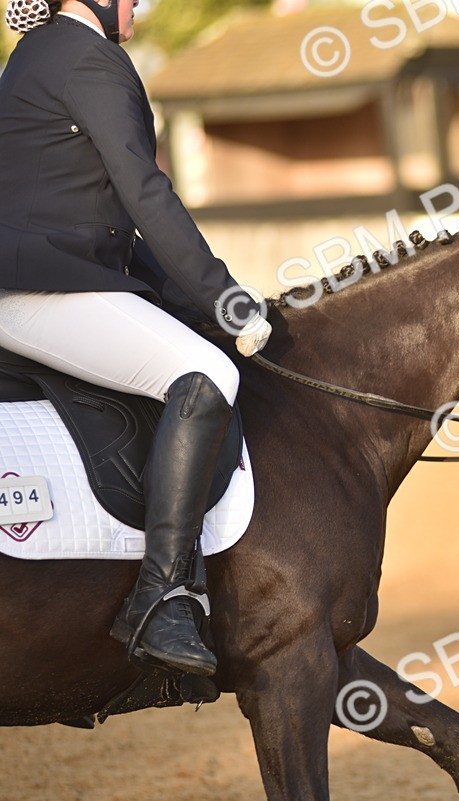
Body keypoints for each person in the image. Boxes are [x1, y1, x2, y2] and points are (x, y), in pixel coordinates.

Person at [0, 0, 271, 677]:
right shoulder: (91, 58)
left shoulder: (36, 55)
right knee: (207, 375)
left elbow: (107, 217)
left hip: (42, 277)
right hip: (41, 289)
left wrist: (195, 300)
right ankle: (160, 597)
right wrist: (225, 298)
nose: (140, 4)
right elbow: (147, 194)